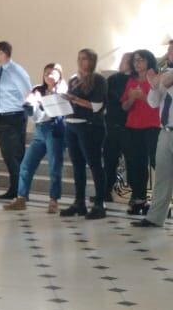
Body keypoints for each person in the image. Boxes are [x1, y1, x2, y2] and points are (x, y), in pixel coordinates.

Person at [4, 64, 67, 213]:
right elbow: (30, 107)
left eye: (52, 73)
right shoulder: (38, 89)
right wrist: (31, 102)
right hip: (39, 130)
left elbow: (58, 109)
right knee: (26, 165)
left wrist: (42, 101)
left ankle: (53, 200)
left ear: (59, 75)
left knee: (54, 166)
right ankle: (21, 198)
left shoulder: (63, 90)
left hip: (54, 130)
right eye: (46, 73)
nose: (48, 76)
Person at [60, 49, 108, 219]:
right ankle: (79, 202)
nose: (81, 62)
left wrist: (74, 99)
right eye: (79, 58)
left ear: (92, 61)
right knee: (77, 165)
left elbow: (96, 106)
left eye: (85, 59)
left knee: (94, 164)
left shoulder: (98, 80)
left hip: (89, 126)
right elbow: (70, 102)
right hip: (71, 125)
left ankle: (99, 203)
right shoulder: (74, 80)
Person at [0, 41, 33, 200]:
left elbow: (28, 93)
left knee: (16, 155)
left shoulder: (17, 71)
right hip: (0, 117)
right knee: (7, 155)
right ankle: (13, 188)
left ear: (2, 53)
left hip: (15, 116)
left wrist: (28, 114)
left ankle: (21, 191)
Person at [121, 49, 161, 215]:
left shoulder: (156, 78)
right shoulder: (131, 81)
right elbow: (124, 107)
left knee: (156, 162)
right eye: (135, 60)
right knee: (136, 164)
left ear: (148, 61)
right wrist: (132, 98)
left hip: (152, 125)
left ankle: (162, 201)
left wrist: (143, 96)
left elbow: (158, 103)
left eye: (141, 60)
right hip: (133, 126)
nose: (137, 63)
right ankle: (139, 199)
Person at [133, 66, 173, 227]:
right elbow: (153, 103)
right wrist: (155, 87)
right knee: (162, 176)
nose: (170, 54)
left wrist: (168, 85)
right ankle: (155, 218)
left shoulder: (168, 78)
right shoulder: (167, 74)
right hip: (165, 131)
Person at [103, 53, 133, 203]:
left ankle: (136, 195)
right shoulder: (113, 78)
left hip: (129, 126)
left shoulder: (134, 80)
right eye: (122, 59)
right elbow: (107, 98)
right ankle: (105, 191)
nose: (121, 62)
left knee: (132, 161)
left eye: (125, 60)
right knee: (109, 160)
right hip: (112, 124)